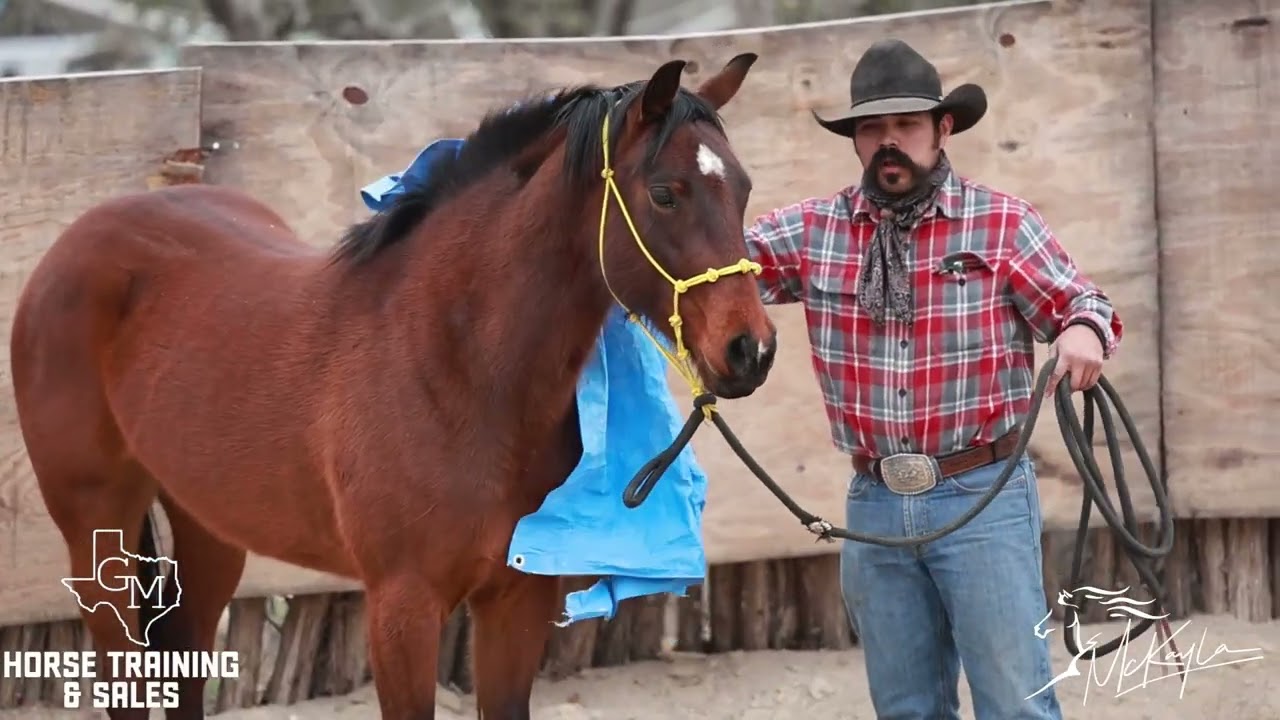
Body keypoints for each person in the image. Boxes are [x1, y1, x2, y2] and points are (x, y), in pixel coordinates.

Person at [743, 38, 1122, 720]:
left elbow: (1083, 303)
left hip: (982, 495)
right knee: (907, 708)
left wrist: (1082, 332)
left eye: (906, 126)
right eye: (872, 129)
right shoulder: (812, 231)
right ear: (856, 141)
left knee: (1014, 703)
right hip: (876, 500)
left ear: (943, 129)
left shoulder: (1001, 222)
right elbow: (710, 271)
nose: (889, 143)